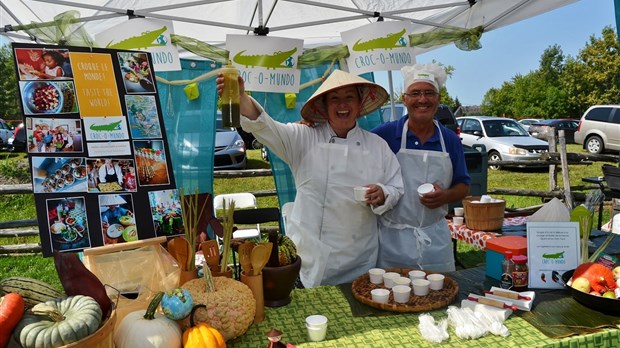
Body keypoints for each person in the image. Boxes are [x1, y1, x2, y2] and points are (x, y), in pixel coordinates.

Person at [216, 69, 404, 288]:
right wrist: (241, 98)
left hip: (361, 259)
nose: (342, 105)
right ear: (324, 106)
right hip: (313, 260)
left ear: (360, 104)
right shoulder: (304, 137)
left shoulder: (377, 146)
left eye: (349, 98)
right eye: (335, 99)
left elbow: (396, 187)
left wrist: (383, 193)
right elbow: (266, 127)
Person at [372, 63, 471, 272]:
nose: (422, 99)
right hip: (392, 240)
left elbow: (463, 185)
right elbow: (351, 141)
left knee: (440, 296)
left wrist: (445, 196)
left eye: (429, 93)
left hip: (435, 239)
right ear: (404, 99)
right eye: (415, 93)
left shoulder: (450, 140)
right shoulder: (384, 135)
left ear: (439, 99)